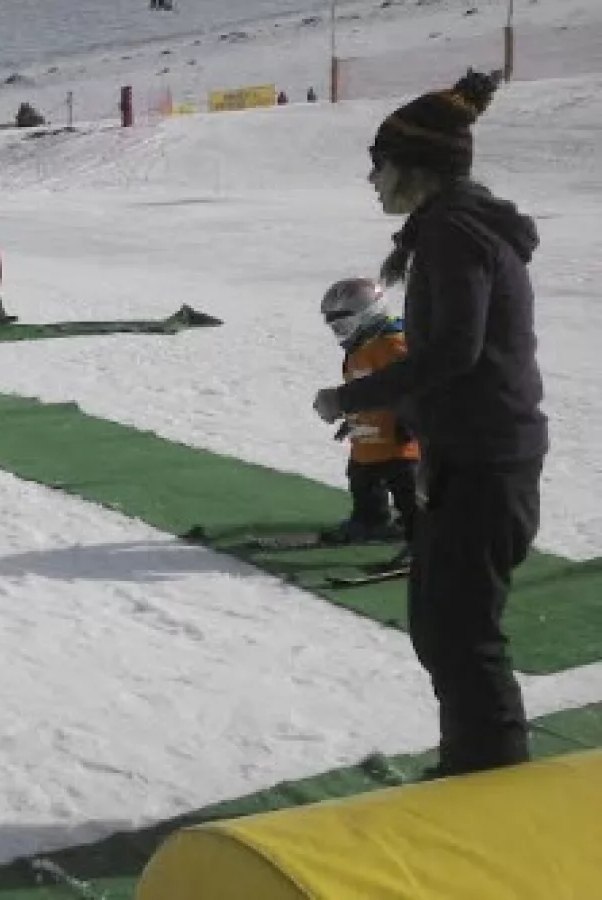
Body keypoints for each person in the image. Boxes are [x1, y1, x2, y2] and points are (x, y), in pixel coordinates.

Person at [312, 70, 546, 777]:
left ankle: (489, 781)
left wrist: (353, 398)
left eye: (379, 163)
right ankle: (473, 768)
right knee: (443, 626)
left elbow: (453, 351)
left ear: (417, 167)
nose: (372, 178)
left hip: (487, 459)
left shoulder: (452, 231)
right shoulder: (448, 229)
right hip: (470, 455)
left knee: (460, 633)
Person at [318, 277, 418, 555]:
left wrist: (409, 420)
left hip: (399, 439)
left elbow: (407, 385)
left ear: (368, 315)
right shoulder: (360, 347)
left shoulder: (393, 345)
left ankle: (421, 533)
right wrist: (353, 417)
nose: (339, 334)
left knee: (406, 485)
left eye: (343, 326)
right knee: (362, 476)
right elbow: (362, 387)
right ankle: (371, 519)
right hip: (368, 433)